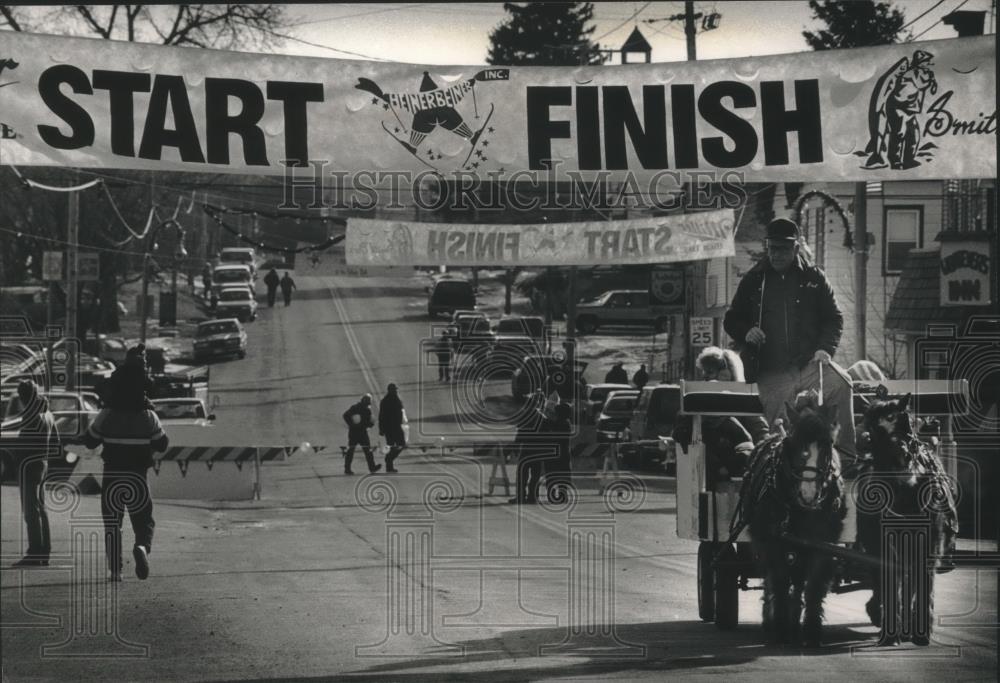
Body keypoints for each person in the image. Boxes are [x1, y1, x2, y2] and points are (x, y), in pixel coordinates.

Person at [723, 217, 856, 462]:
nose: (776, 254)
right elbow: (731, 320)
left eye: (783, 248)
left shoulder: (814, 278)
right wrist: (747, 332)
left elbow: (834, 318)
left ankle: (845, 457)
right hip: (772, 370)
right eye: (771, 248)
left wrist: (825, 349)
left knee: (842, 383)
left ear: (796, 248)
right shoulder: (754, 280)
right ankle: (780, 470)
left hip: (809, 364)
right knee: (781, 431)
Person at [83, 345, 168, 581]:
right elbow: (162, 444)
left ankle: (115, 571)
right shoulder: (148, 416)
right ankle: (141, 547)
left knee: (113, 523)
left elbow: (90, 441)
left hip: (112, 477)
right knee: (144, 521)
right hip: (137, 477)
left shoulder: (107, 414)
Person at [671, 347, 768, 483]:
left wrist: (765, 446)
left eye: (710, 372)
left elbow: (759, 429)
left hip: (738, 468)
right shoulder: (695, 402)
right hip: (705, 470)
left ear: (727, 374)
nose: (705, 376)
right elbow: (680, 431)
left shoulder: (742, 401)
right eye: (704, 372)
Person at [10, 380, 58, 568]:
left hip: (29, 464)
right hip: (42, 462)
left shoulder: (30, 414)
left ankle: (34, 552)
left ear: (24, 396)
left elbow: (24, 444)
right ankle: (45, 551)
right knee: (41, 509)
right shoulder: (47, 412)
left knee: (31, 512)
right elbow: (56, 441)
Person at [342, 394, 381, 475]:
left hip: (355, 432)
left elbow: (345, 415)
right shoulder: (365, 410)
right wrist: (371, 424)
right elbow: (369, 422)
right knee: (367, 451)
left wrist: (351, 424)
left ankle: (347, 468)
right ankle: (372, 467)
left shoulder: (355, 407)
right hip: (361, 432)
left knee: (352, 450)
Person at [378, 383, 407, 473]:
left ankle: (389, 460)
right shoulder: (386, 401)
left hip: (396, 426)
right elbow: (381, 416)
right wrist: (381, 429)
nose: (395, 391)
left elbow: (401, 412)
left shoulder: (397, 399)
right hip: (390, 428)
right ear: (390, 390)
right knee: (394, 445)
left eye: (396, 389)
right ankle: (389, 464)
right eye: (394, 389)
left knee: (400, 445)